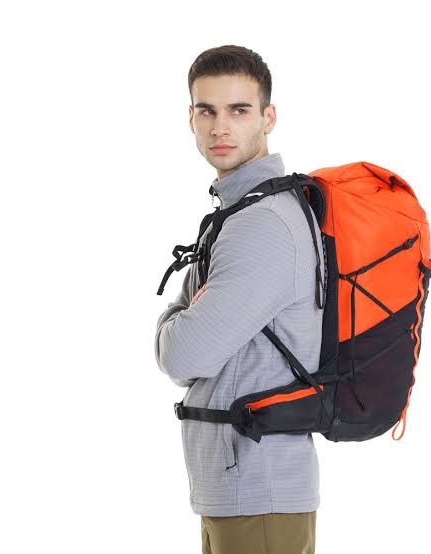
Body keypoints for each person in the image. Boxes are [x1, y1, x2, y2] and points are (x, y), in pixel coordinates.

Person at [155, 44, 324, 554]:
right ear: (190, 118)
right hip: (237, 487)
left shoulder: (262, 223)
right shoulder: (239, 214)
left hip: (258, 489)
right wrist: (188, 312)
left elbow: (182, 354)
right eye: (207, 110)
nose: (220, 127)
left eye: (239, 110)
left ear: (268, 117)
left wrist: (175, 319)